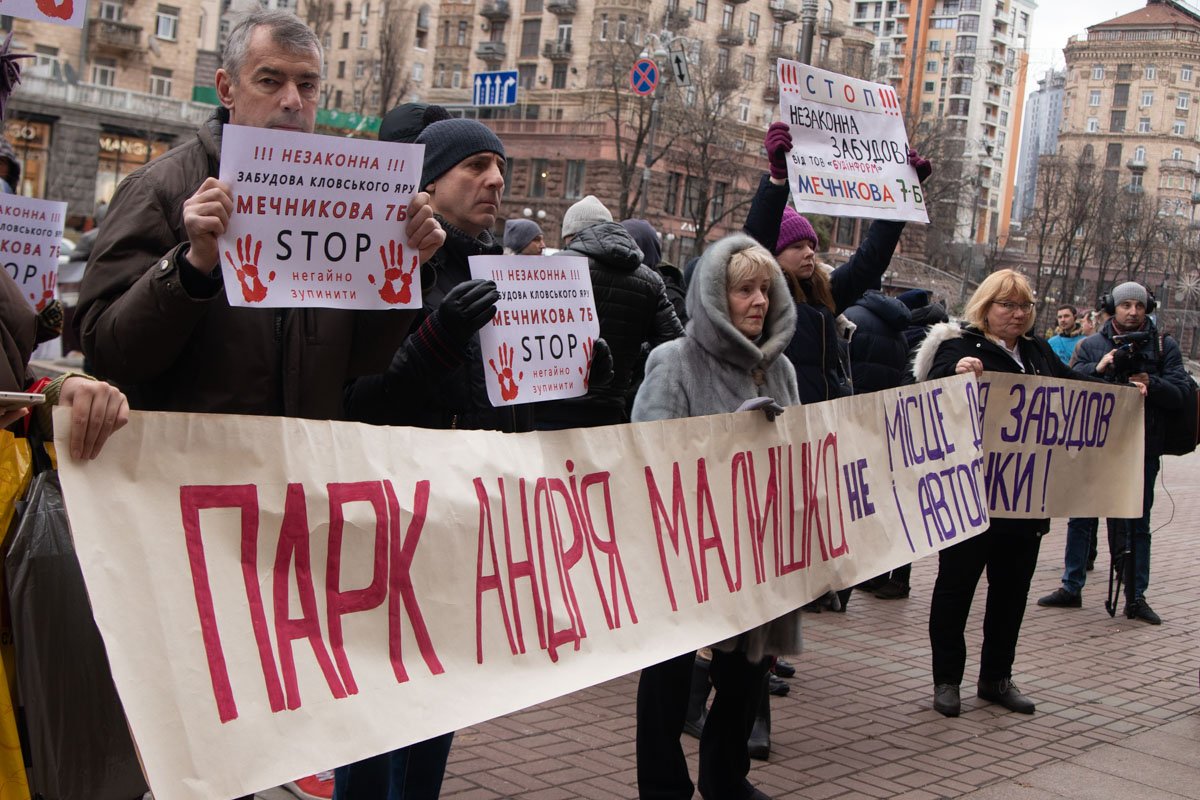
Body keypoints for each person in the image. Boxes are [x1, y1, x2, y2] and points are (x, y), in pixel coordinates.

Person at [74, 12, 443, 800]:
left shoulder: (345, 192)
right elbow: (104, 345)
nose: (291, 101)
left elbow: (361, 363)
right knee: (173, 739)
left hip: (281, 513)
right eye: (271, 80)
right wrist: (192, 265)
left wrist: (402, 270)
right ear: (227, 87)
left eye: (307, 85)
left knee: (250, 731)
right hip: (179, 521)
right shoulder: (166, 188)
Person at [632, 233, 798, 800]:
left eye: (766, 290)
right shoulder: (673, 362)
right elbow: (646, 456)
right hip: (684, 550)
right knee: (668, 679)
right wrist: (726, 439)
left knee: (745, 672)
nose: (759, 301)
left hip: (754, 550)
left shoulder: (783, 371)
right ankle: (663, 785)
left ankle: (726, 778)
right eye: (743, 290)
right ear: (711, 297)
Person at [912, 269, 1108, 717]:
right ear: (985, 307)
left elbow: (1075, 390)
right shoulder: (959, 347)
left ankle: (997, 677)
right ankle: (947, 681)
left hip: (1023, 500)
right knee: (955, 589)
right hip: (971, 497)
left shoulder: (1038, 352)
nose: (1018, 314)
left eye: (1024, 307)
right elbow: (930, 388)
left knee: (1011, 593)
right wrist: (956, 373)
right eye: (1007, 305)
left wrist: (1122, 395)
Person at [1037, 281, 1191, 625]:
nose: (1133, 312)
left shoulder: (1164, 346)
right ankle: (1071, 586)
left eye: (1139, 305)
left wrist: (1151, 382)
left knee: (1137, 523)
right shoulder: (1091, 345)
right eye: (1126, 305)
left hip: (1141, 447)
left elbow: (1180, 393)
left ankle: (1136, 596)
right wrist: (1100, 368)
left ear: (1148, 307)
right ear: (1112, 307)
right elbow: (1069, 385)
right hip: (1094, 446)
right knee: (1081, 516)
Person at [533, 197, 680, 430]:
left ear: (572, 235)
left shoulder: (552, 267)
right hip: (611, 410)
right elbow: (674, 346)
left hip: (553, 407)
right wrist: (631, 359)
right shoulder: (651, 279)